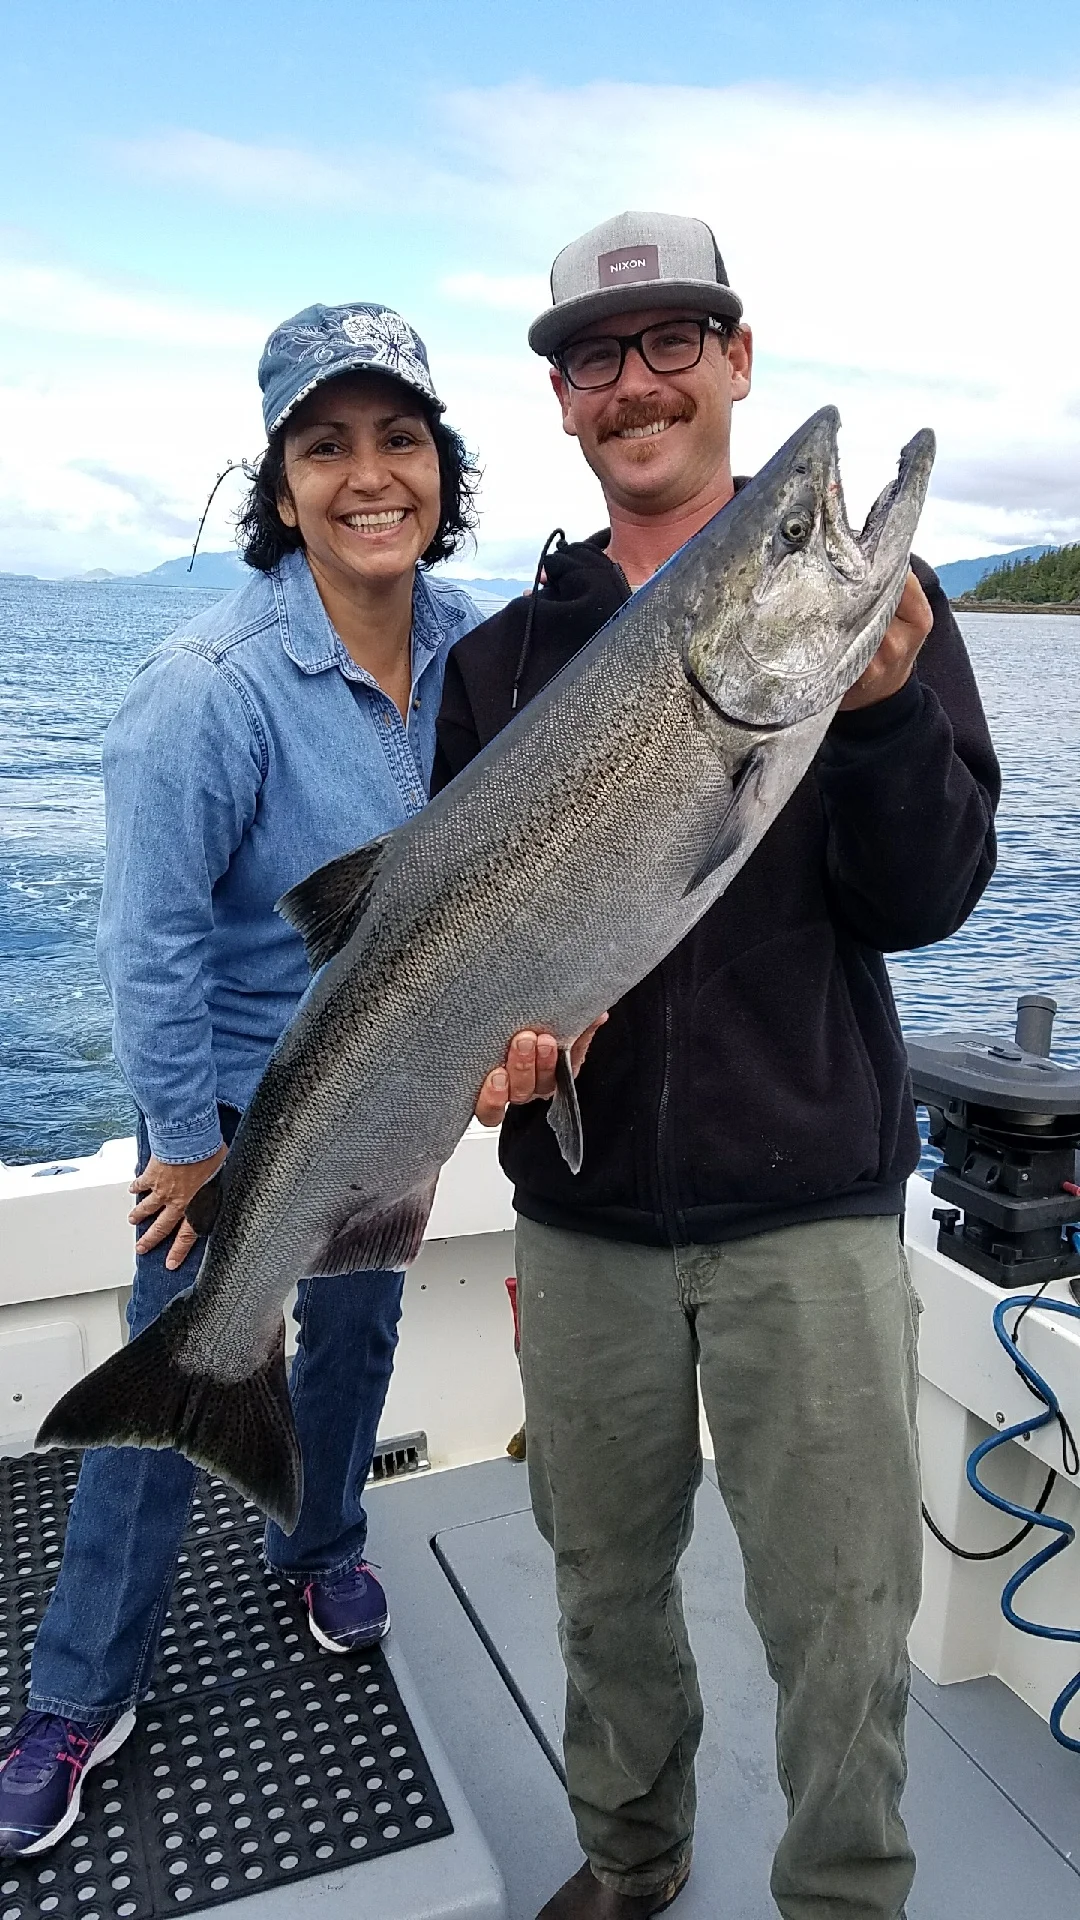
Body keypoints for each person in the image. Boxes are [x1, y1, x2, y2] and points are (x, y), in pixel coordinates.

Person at [435, 212, 1001, 1920]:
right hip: (586, 1215)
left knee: (836, 1609)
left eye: (677, 342)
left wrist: (892, 709)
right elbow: (459, 955)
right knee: (603, 1584)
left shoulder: (874, 622)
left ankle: (843, 1899)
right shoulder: (498, 663)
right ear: (560, 401)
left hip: (809, 1209)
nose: (638, 384)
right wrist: (499, 1062)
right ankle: (629, 1861)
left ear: (738, 361)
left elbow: (930, 898)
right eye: (597, 358)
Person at [0, 300, 487, 1859]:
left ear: (439, 468)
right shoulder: (205, 685)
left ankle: (320, 1537)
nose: (368, 475)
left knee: (355, 1340)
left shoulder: (480, 646)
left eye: (398, 439)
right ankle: (79, 1694)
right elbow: (146, 943)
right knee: (190, 1360)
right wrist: (194, 1154)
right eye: (325, 444)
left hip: (399, 1076)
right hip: (231, 1108)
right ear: (279, 485)